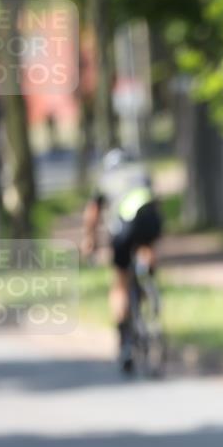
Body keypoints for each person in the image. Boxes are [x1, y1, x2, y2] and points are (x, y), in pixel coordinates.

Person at [81, 148, 162, 371]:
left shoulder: (105, 179)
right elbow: (156, 200)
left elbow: (92, 215)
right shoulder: (141, 171)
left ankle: (125, 340)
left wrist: (90, 241)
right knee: (146, 247)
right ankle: (150, 285)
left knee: (120, 281)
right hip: (150, 219)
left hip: (125, 226)